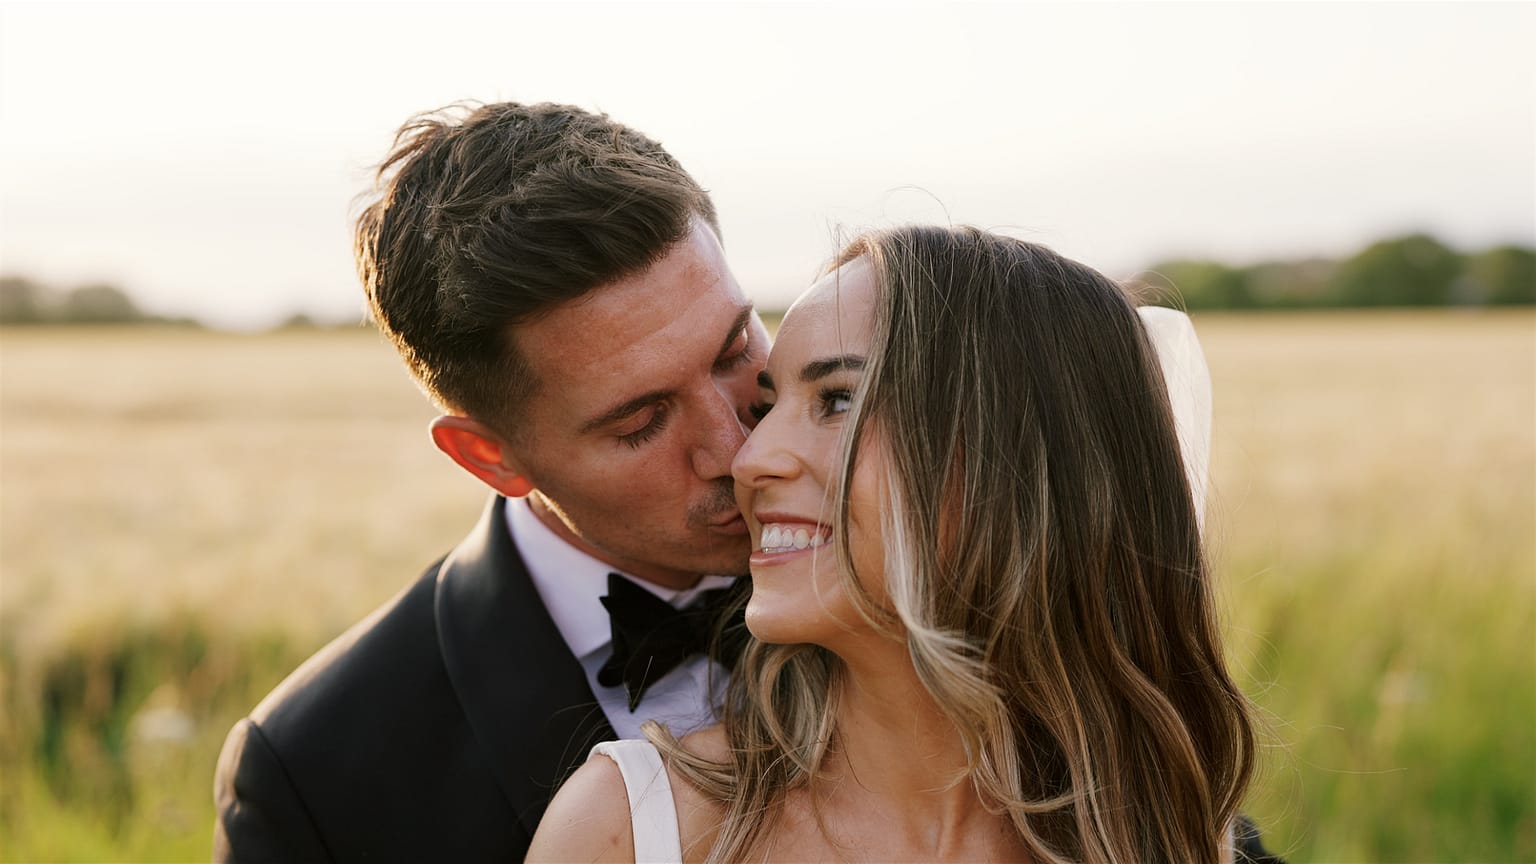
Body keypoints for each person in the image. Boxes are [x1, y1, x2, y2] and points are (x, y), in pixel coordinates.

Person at [529, 226, 1276, 863]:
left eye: (838, 401)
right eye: (769, 404)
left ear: (1016, 462)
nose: (750, 460)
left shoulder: (1169, 833)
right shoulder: (632, 828)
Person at [212, 102, 769, 861]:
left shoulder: (945, 560)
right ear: (488, 457)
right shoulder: (314, 776)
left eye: (735, 349)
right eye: (641, 422)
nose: (737, 448)